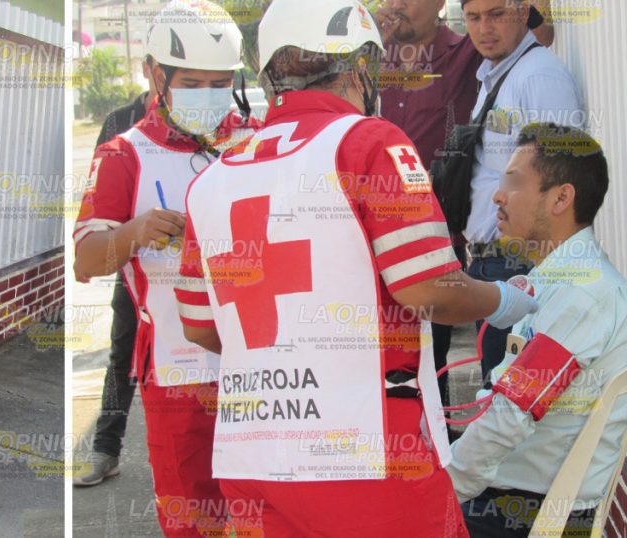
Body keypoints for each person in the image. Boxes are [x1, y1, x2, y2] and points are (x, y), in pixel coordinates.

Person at [175, 1, 536, 535]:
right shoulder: (372, 143)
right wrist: (505, 300)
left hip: (250, 458)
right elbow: (427, 287)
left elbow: (200, 326)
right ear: (361, 68)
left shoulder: (211, 180)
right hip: (369, 454)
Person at [73, 1, 258, 533]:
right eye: (193, 82)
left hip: (263, 367)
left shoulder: (259, 141)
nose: (209, 95)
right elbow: (86, 261)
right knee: (193, 521)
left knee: (267, 517)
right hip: (179, 376)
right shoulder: (122, 154)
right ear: (156, 75)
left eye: (221, 82)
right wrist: (133, 233)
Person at [374, 0, 552, 415]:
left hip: (440, 232)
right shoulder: (368, 59)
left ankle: (436, 436)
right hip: (375, 231)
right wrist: (372, 43)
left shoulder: (465, 52)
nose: (395, 5)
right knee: (385, 354)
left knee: (431, 349)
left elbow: (536, 32)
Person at [448, 124, 625, 537]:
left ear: (562, 197)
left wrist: (442, 487)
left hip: (522, 514)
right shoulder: (557, 281)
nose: (497, 196)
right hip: (508, 498)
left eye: (513, 183)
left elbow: (511, 414)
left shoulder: (584, 294)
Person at [452, 0, 582, 386]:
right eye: (474, 18)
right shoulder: (499, 74)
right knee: (502, 397)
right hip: (497, 264)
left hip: (522, 264)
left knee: (514, 403)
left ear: (523, 14)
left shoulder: (537, 76)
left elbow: (556, 179)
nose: (484, 28)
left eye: (496, 14)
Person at [74, 59, 157, 487]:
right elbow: (98, 205)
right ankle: (106, 449)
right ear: (150, 68)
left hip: (201, 271)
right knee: (123, 356)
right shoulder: (120, 122)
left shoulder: (210, 124)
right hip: (136, 269)